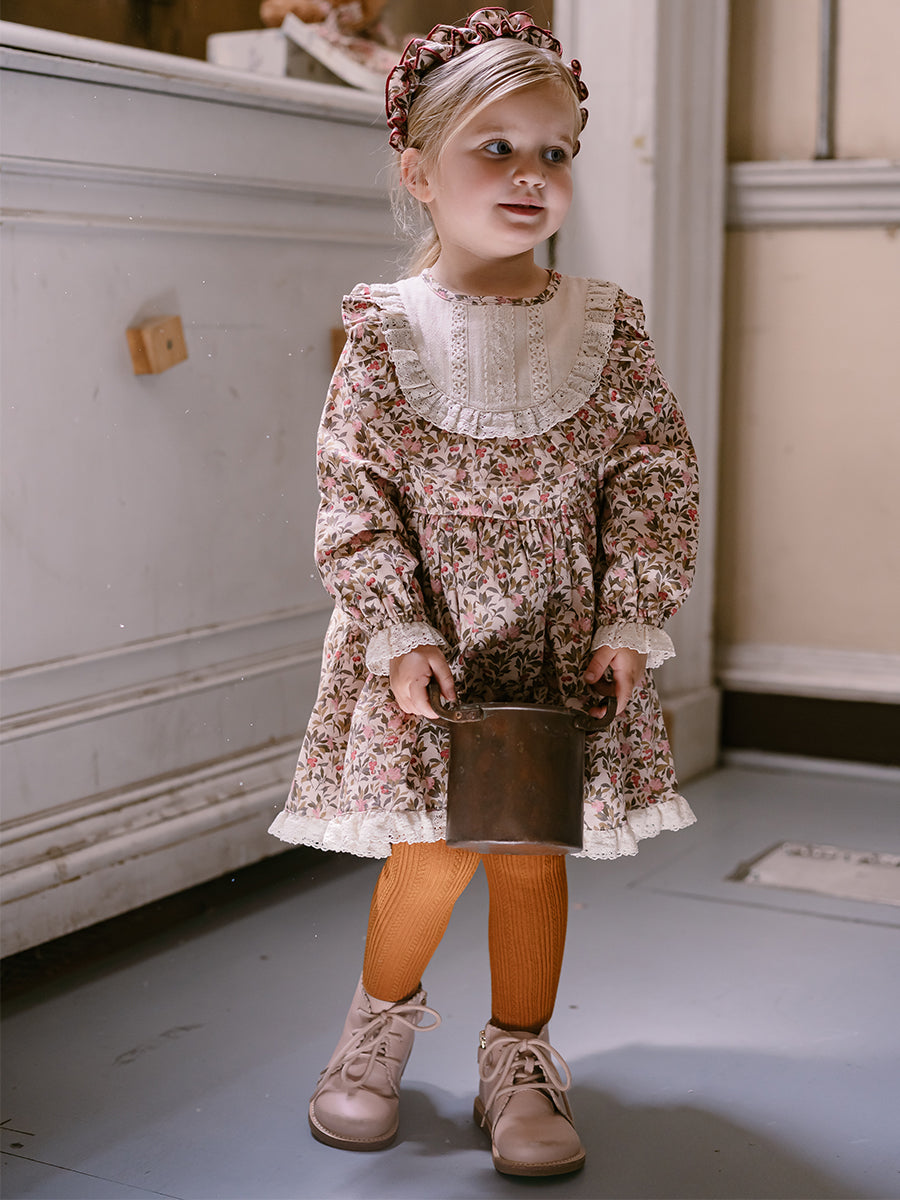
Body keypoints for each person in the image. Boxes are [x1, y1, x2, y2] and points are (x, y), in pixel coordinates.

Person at [269, 7, 700, 1178]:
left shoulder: (605, 329)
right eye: (495, 148)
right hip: (432, 650)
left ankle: (518, 1055)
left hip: (558, 644)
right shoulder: (385, 332)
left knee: (528, 851)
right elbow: (356, 496)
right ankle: (374, 1030)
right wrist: (398, 628)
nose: (530, 175)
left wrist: (630, 617)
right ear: (419, 172)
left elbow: (652, 478)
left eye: (554, 151)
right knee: (431, 852)